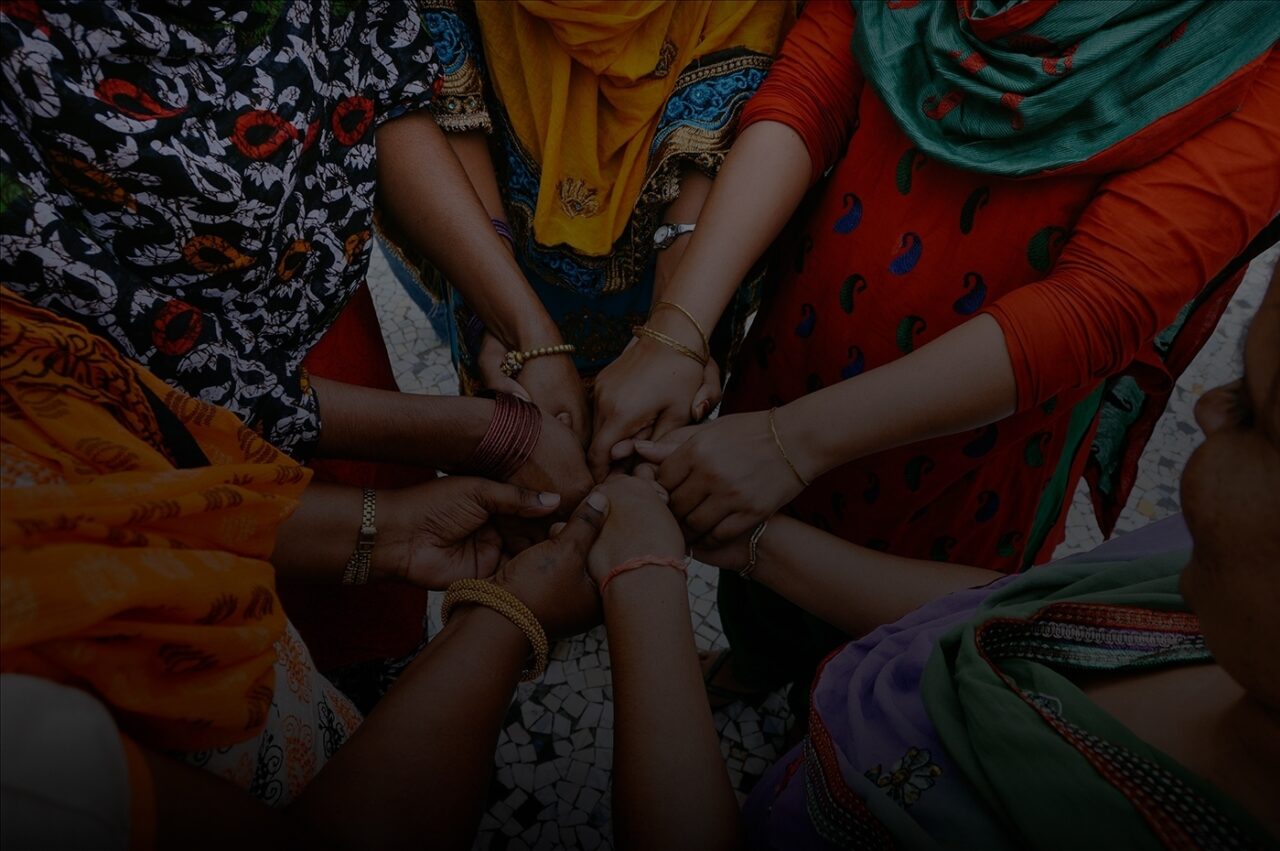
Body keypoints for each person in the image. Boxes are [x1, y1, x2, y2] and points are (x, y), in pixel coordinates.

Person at [600, 0, 1280, 706]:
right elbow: (816, 78)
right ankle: (757, 666)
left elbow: (1098, 301)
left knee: (904, 650)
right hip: (802, 343)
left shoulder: (1247, 43)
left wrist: (789, 441)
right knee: (757, 571)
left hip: (974, 436)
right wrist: (678, 329)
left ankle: (833, 733)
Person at [586, 261, 1280, 850]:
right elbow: (1010, 609)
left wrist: (640, 577)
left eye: (1252, 410)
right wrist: (756, 543)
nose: (1206, 408)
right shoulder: (1201, 571)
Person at [0, 0, 593, 688]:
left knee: (377, 626)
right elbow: (115, 362)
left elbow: (378, 79)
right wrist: (487, 435)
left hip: (331, 339)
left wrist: (531, 336)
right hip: (129, 438)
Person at [0, 287, 615, 849]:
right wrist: (509, 614)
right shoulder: (34, 777)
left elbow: (142, 500)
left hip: (291, 698)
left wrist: (396, 532)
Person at [379, 0, 795, 443]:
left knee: (653, 445)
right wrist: (506, 322)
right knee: (526, 448)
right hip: (490, 233)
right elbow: (441, 78)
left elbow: (727, 84)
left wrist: (676, 331)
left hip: (683, 244)